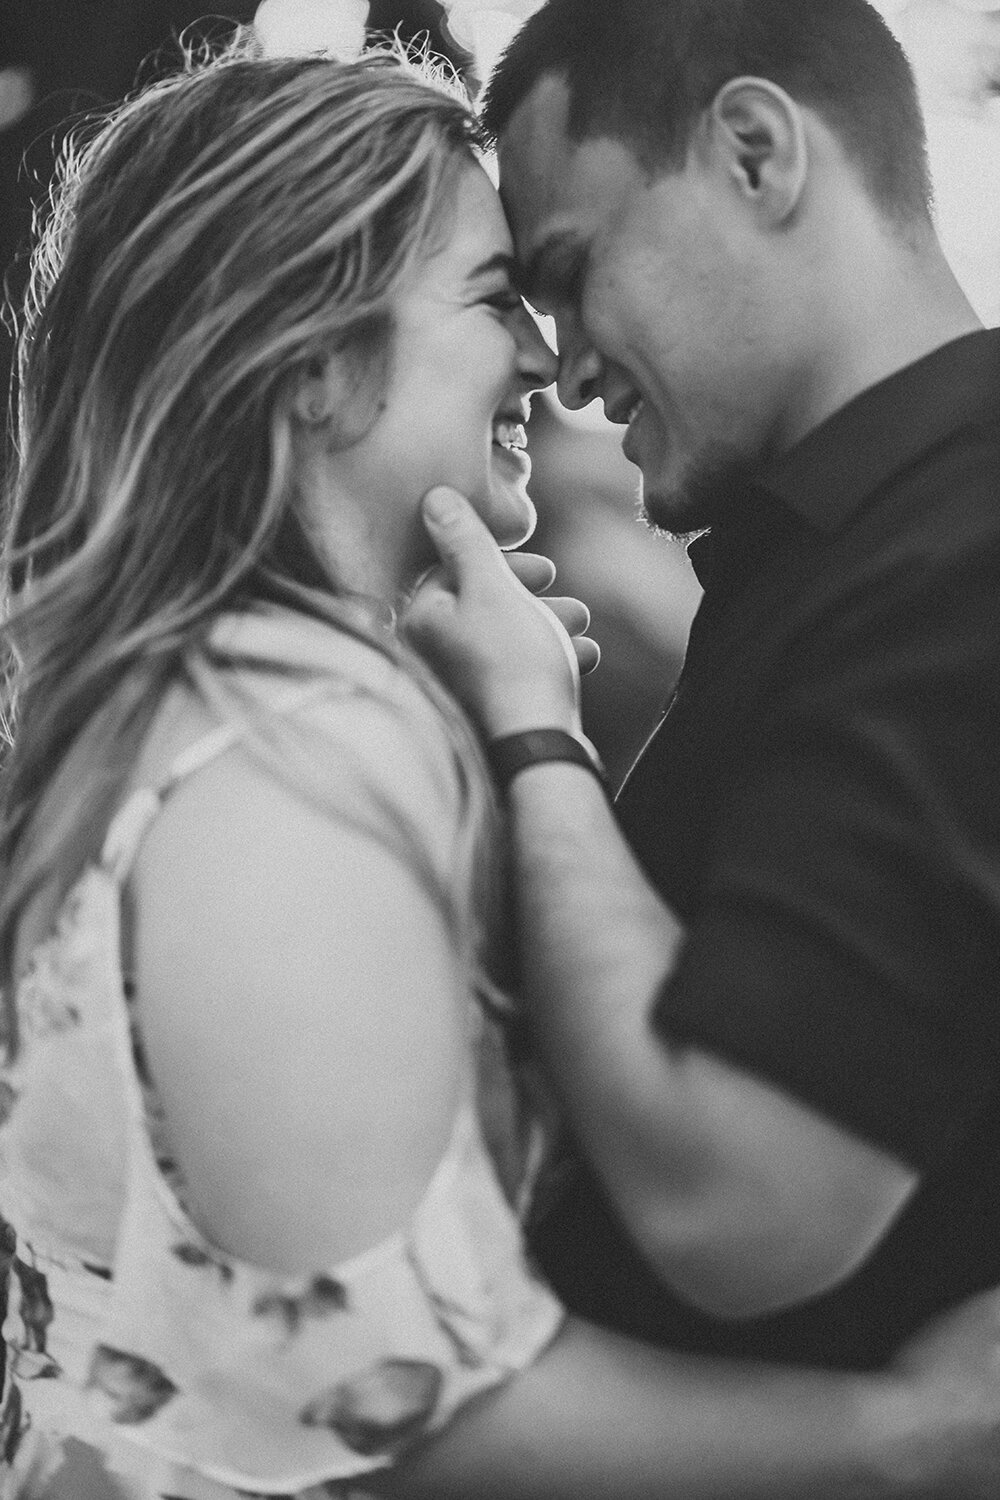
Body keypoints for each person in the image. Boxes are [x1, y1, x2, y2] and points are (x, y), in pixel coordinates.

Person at [2, 27, 1000, 1500]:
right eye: (495, 293)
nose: (546, 349)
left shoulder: (273, 709)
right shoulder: (290, 751)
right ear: (316, 370)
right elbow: (384, 1405)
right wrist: (912, 1438)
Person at [401, 0, 1000, 1377]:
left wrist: (534, 731)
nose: (557, 362)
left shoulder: (964, 557)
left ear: (753, 152)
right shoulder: (838, 552)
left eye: (568, 267)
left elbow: (742, 1200)